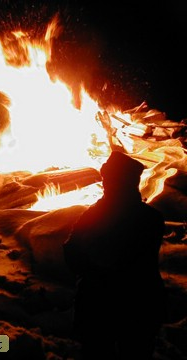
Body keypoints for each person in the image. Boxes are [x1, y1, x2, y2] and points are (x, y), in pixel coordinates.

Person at [63, 151, 167, 360]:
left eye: (108, 178)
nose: (104, 183)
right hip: (141, 307)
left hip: (102, 307)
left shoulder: (95, 216)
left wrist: (92, 275)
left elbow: (72, 252)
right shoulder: (152, 218)